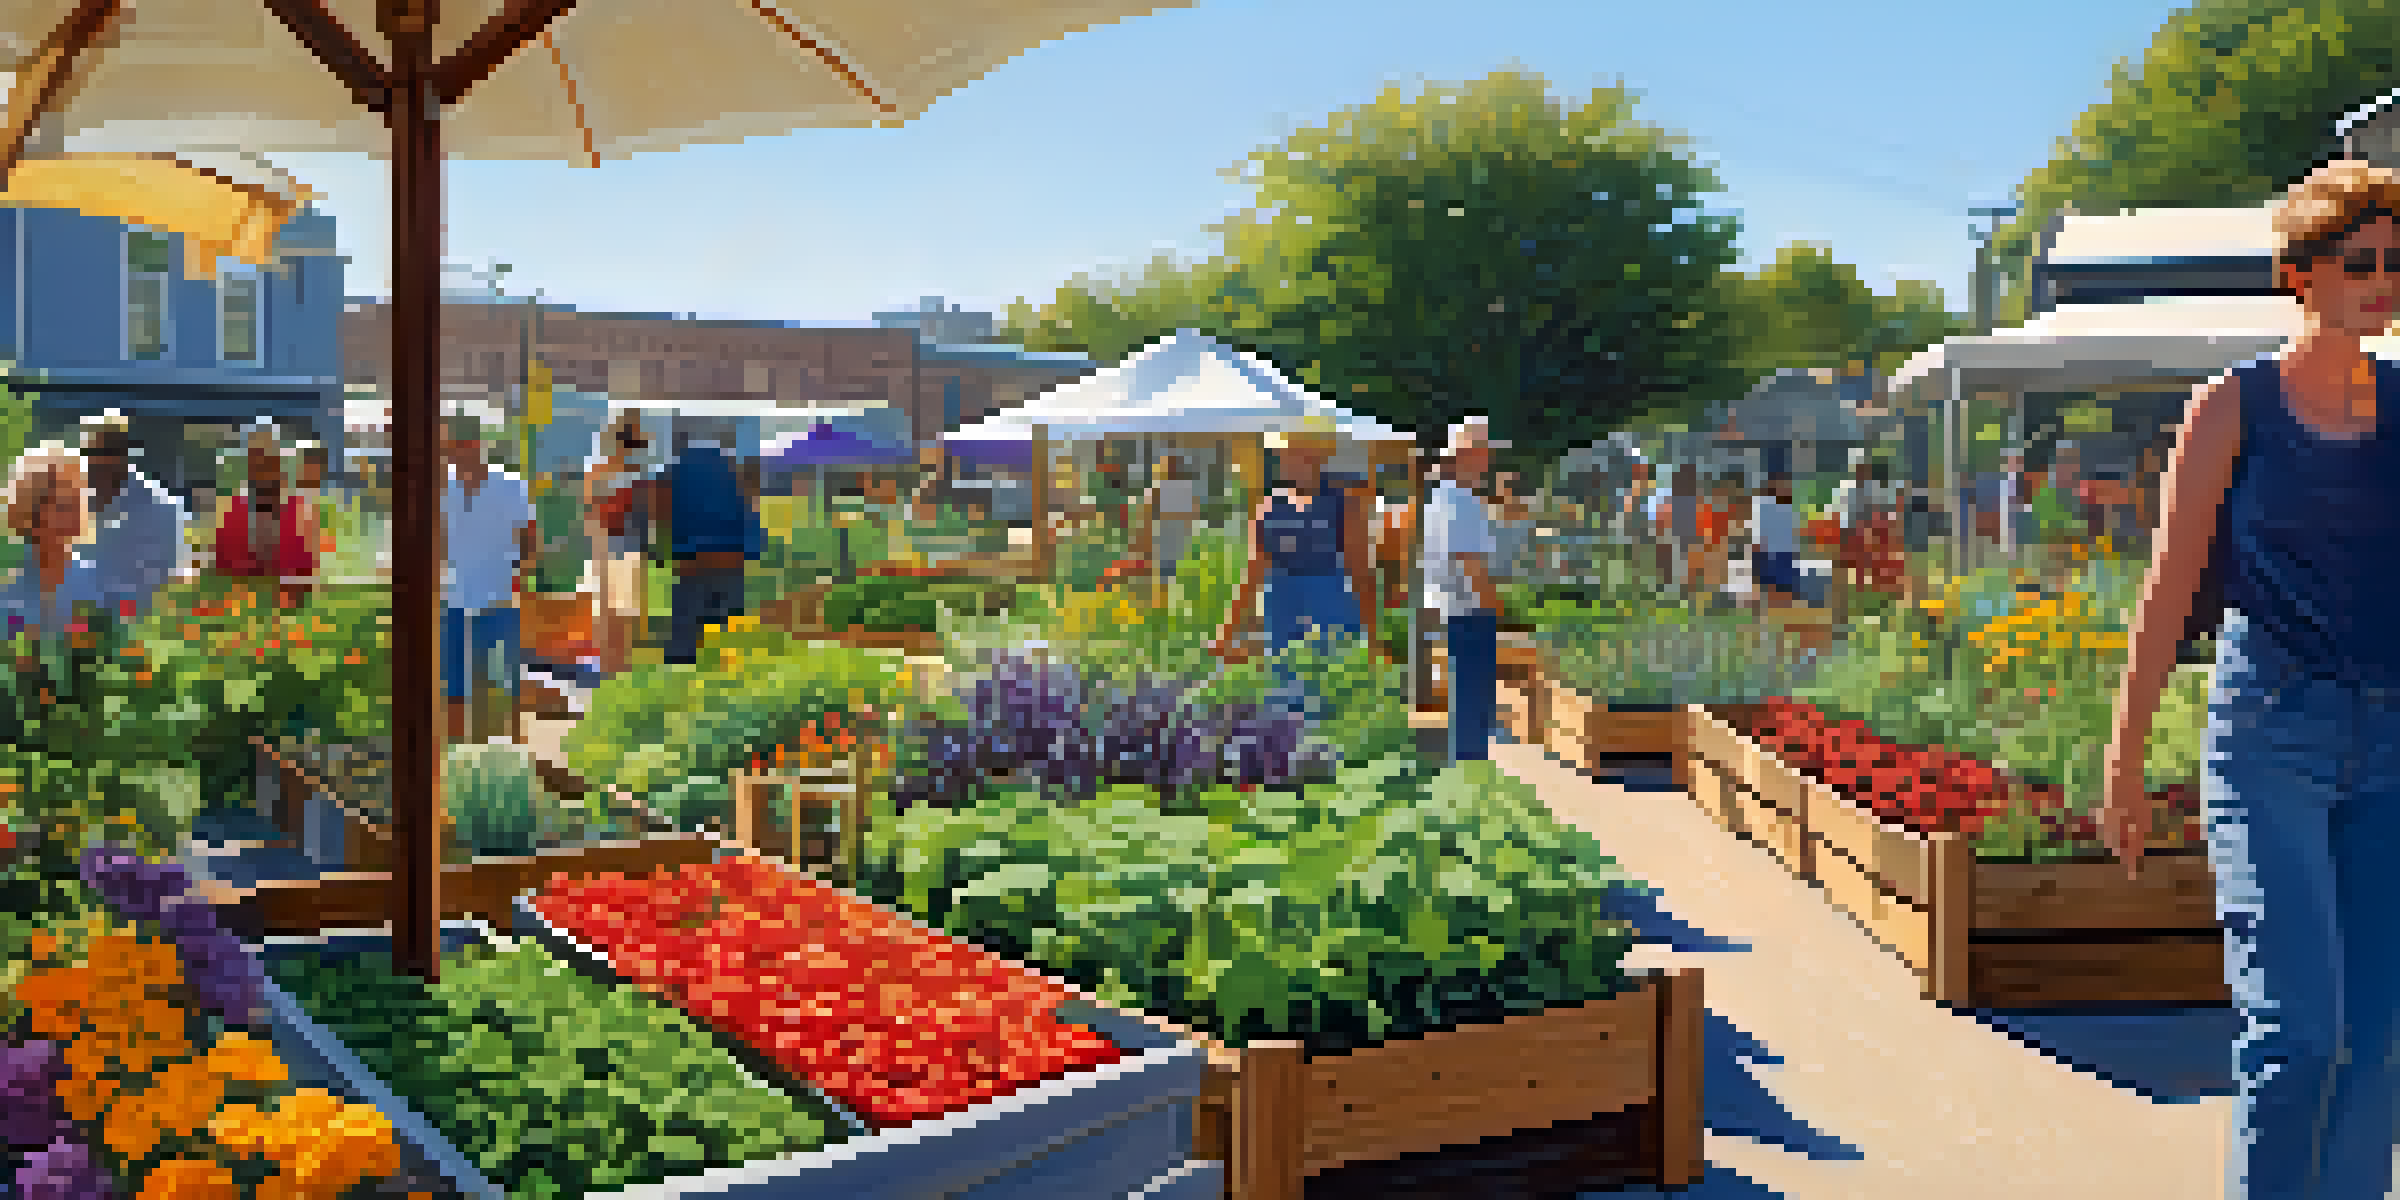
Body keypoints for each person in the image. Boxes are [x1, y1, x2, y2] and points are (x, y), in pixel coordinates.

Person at [2103, 158, 2400, 1200]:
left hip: (2393, 744)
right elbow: (2170, 586)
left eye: (2395, 264)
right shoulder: (2233, 408)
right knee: (2300, 1037)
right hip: (2271, 736)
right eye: (2357, 261)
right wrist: (2125, 763)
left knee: (2377, 1049)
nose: (2381, 281)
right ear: (2299, 275)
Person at [1209, 421, 1379, 675]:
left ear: (1321, 455)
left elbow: (1360, 571)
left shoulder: (1345, 502)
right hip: (1282, 612)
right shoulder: (1269, 505)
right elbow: (1254, 572)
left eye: (1302, 451)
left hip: (1331, 609)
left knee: (1332, 688)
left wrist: (1373, 639)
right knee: (1285, 693)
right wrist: (1228, 632)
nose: (1292, 458)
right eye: (1288, 451)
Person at [442, 414, 537, 742]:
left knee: (502, 686)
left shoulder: (511, 486)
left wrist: (520, 580)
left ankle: (508, 755)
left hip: (499, 601)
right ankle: (458, 759)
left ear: (475, 445)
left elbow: (530, 541)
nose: (452, 455)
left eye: (456, 446)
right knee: (455, 688)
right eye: (448, 449)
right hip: (456, 601)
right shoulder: (446, 489)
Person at [1419, 418, 1506, 763]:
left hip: (1443, 606)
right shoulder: (1464, 504)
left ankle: (1463, 765)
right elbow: (1470, 563)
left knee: (1459, 697)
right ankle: (1469, 767)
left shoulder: (1439, 498)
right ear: (1470, 456)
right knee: (1471, 700)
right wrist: (1495, 611)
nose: (1488, 461)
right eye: (1484, 453)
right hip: (1467, 612)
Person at [648, 432, 765, 666]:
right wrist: (751, 551)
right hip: (730, 559)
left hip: (692, 562)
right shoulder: (733, 470)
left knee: (685, 635)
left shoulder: (673, 472)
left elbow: (659, 512)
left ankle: (681, 675)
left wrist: (661, 552)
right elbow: (750, 510)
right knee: (728, 635)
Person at [69, 410, 187, 624]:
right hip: (74, 625)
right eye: (90, 453)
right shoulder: (68, 502)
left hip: (135, 631)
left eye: (108, 452)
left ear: (126, 453)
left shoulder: (161, 508)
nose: (98, 461)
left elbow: (158, 586)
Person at [212, 424, 320, 609]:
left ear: (280, 464)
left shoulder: (300, 513)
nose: (263, 468)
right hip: (243, 610)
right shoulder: (233, 513)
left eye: (269, 459)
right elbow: (224, 575)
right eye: (257, 460)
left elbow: (307, 578)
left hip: (289, 613)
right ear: (248, 465)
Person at [584, 413, 652, 676]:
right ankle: (611, 668)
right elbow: (592, 511)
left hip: (624, 546)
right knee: (610, 611)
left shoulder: (633, 476)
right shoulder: (607, 473)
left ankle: (617, 668)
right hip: (611, 545)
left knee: (619, 611)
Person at [0, 442, 90, 637]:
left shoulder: (96, 588)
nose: (76, 513)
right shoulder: (9, 599)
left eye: (78, 500)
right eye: (64, 505)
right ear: (33, 512)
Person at [1749, 471, 1799, 615]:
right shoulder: (1763, 503)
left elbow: (1791, 531)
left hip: (1784, 552)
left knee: (1784, 588)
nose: (1784, 488)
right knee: (1766, 588)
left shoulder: (1788, 505)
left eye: (1785, 485)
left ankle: (1782, 613)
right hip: (1766, 552)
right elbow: (1758, 528)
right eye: (1780, 484)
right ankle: (1766, 612)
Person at [1145, 453, 1199, 580]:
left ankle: (1170, 580)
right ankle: (1167, 580)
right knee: (1168, 558)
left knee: (1175, 557)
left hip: (1174, 528)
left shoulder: (1182, 485)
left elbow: (1191, 510)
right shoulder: (1162, 485)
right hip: (1168, 528)